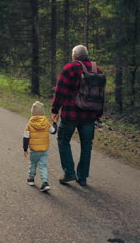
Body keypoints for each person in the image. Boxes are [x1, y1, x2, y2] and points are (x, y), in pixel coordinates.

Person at [51, 45, 103, 186]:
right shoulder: (96, 70)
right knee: (86, 145)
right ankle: (83, 177)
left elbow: (60, 90)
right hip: (90, 115)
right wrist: (98, 114)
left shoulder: (69, 68)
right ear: (86, 55)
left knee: (63, 140)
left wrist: (55, 110)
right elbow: (100, 95)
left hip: (71, 113)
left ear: (74, 55)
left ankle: (69, 173)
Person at [23, 101, 57, 192]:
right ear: (42, 112)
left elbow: (25, 137)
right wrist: (54, 123)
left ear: (32, 112)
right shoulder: (46, 123)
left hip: (34, 150)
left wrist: (25, 149)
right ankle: (45, 182)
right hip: (44, 149)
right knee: (43, 165)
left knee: (33, 163)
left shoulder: (29, 124)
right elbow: (53, 131)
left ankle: (31, 179)